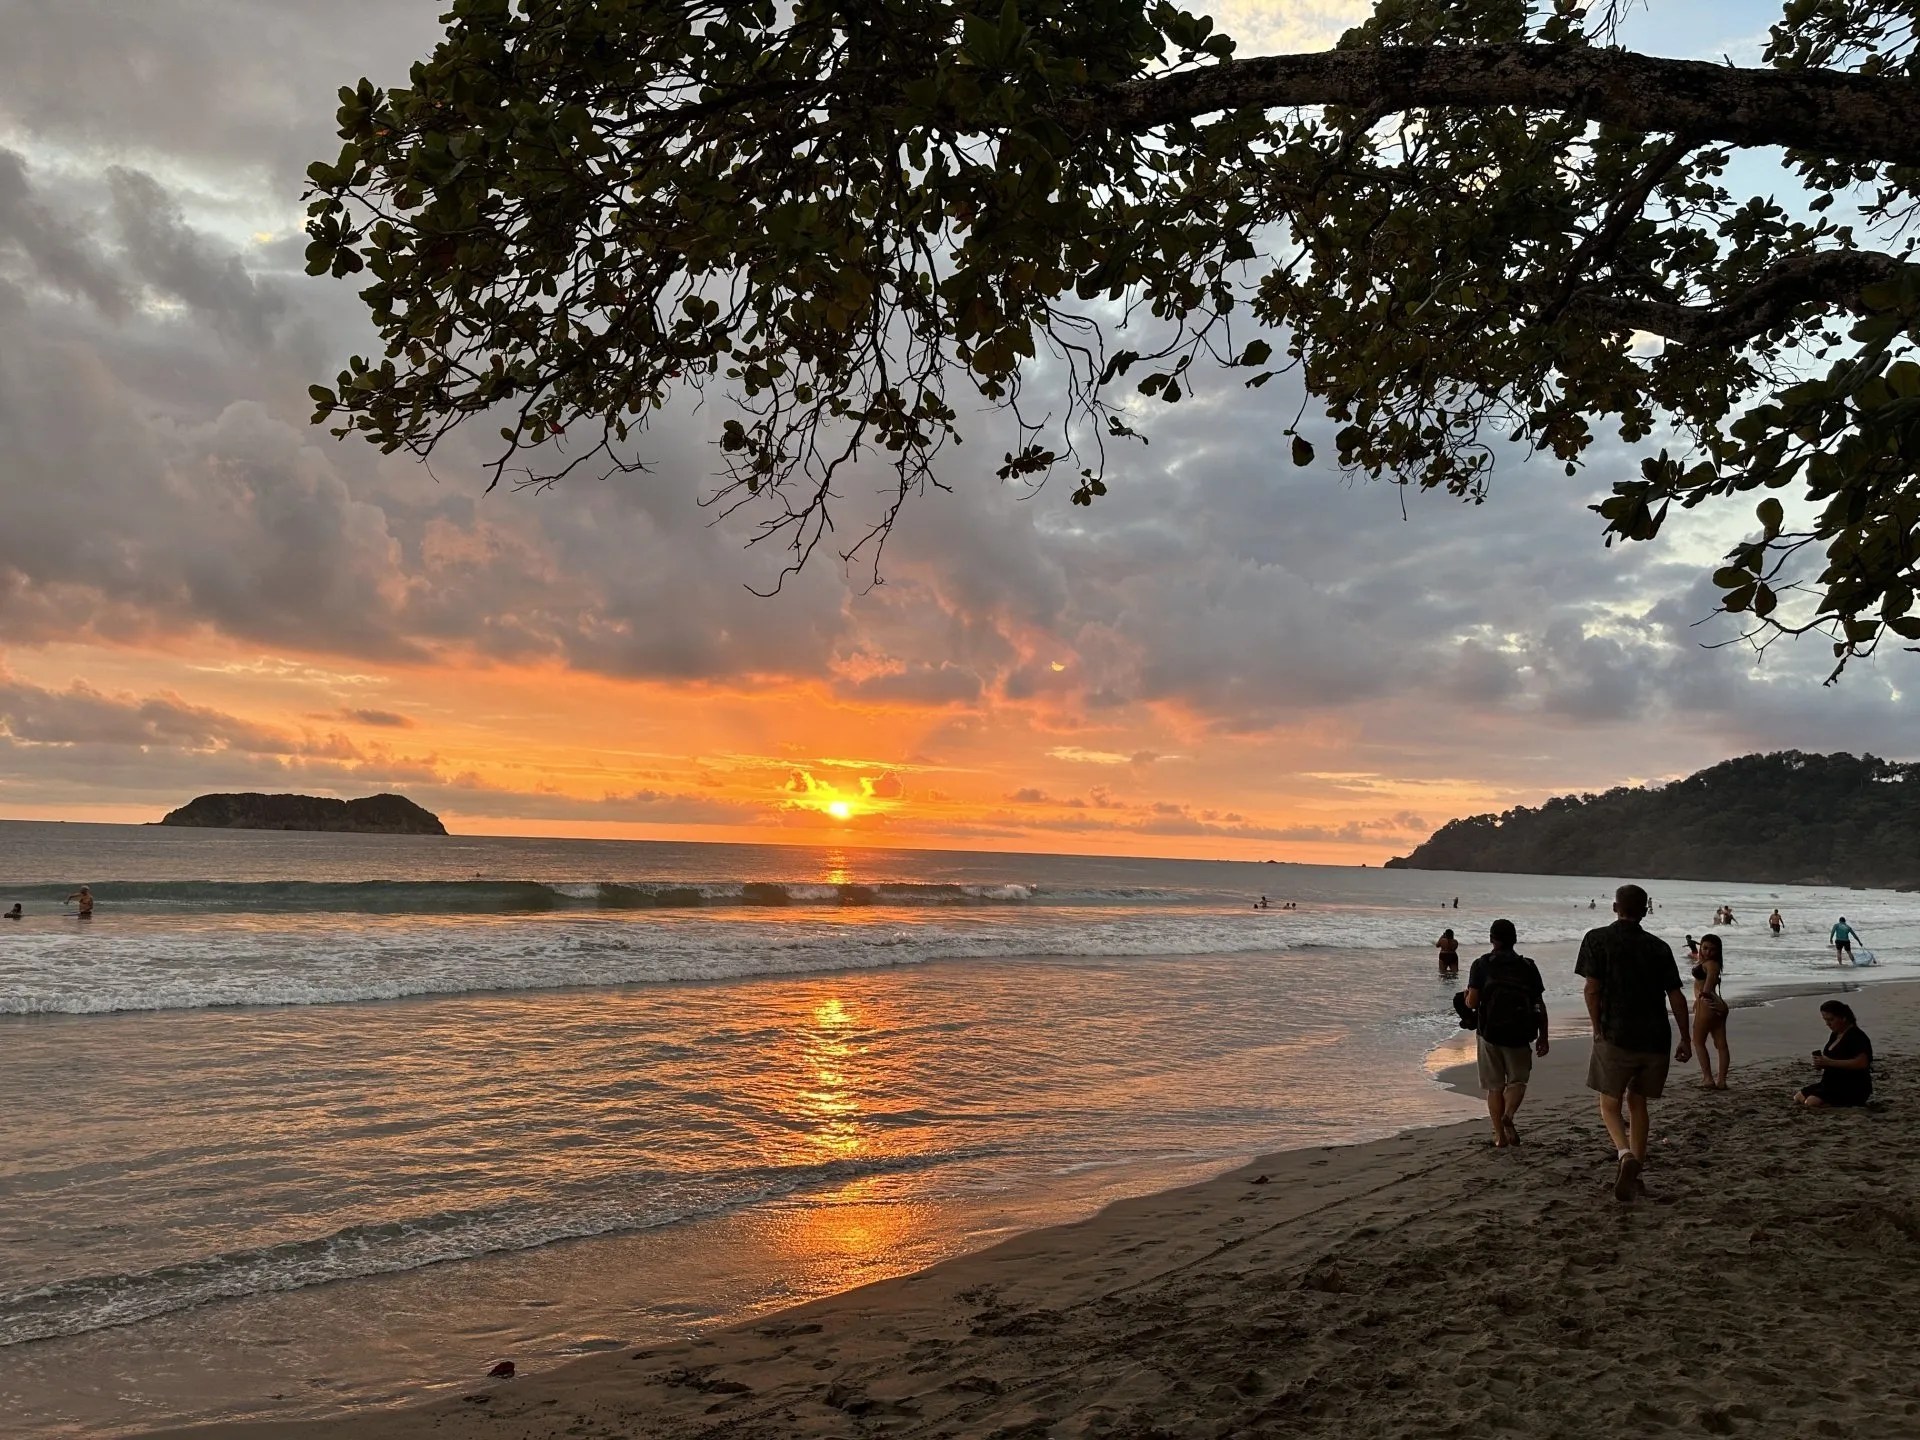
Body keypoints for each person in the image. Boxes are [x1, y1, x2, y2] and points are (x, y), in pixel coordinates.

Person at [1576, 884, 1691, 1202]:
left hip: (1616, 1033)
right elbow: (1676, 996)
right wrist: (1685, 1037)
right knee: (1638, 1103)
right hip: (1655, 1038)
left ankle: (1625, 1154)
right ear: (1645, 911)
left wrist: (1596, 1026)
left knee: (1609, 1103)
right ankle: (1636, 1170)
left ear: (1615, 908)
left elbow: (1591, 988)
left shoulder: (1597, 939)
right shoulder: (1659, 947)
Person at [1465, 919, 1549, 1147]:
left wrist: (1466, 996)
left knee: (1495, 1087)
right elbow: (1538, 1003)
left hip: (1488, 1033)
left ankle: (1500, 1136)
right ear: (1515, 939)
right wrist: (1543, 1035)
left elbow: (1472, 1002)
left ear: (1492, 939)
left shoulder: (1481, 964)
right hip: (1520, 1035)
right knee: (1517, 1081)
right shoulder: (1528, 966)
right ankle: (1509, 1114)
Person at [1798, 1001, 1872, 1108]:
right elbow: (1833, 1058)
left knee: (1811, 1102)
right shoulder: (1835, 1034)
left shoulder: (1856, 1036)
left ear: (1843, 1018)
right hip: (1831, 1082)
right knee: (1799, 1097)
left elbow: (1862, 1063)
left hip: (1852, 1084)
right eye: (1825, 1020)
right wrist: (1821, 1063)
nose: (1828, 1024)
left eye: (1831, 1020)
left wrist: (1829, 1062)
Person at [1690, 933, 1731, 1089]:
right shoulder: (1709, 963)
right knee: (1721, 1045)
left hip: (1707, 1005)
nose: (1707, 952)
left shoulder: (1711, 965)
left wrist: (1701, 999)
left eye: (1712, 949)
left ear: (1718, 951)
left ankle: (1708, 1078)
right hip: (1715, 1005)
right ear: (1700, 946)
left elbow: (1707, 989)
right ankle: (1722, 1081)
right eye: (1705, 948)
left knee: (1698, 1042)